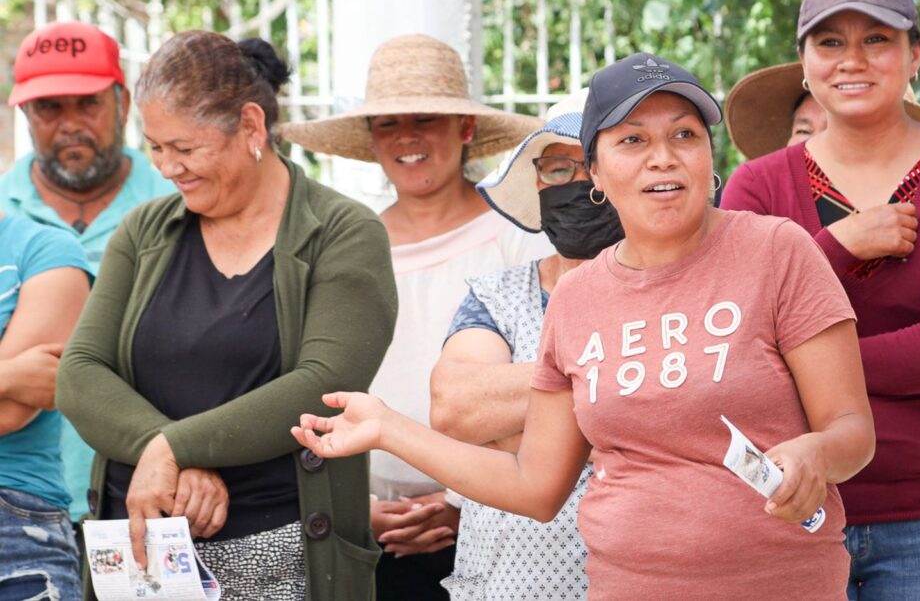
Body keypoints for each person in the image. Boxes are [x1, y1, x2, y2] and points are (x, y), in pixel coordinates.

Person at [293, 53, 877, 600]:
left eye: (684, 134)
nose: (663, 156)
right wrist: (389, 429)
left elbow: (852, 431)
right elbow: (535, 485)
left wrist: (815, 454)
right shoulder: (577, 298)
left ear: (709, 156)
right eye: (632, 140)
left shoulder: (778, 251)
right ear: (595, 171)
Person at [56, 31, 398, 601]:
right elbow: (80, 371)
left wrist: (173, 449)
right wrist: (168, 456)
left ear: (251, 127)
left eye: (185, 149)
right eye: (155, 147)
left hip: (284, 559)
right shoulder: (144, 232)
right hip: (144, 562)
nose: (167, 167)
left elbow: (324, 385)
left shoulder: (343, 233)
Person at [720, 0, 920, 600]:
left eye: (876, 39)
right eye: (830, 42)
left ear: (914, 55)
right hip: (786, 511)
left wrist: (792, 357)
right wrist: (834, 246)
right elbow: (739, 335)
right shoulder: (757, 186)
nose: (851, 60)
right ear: (803, 61)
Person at [281, 34, 551, 599]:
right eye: (388, 124)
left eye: (427, 118)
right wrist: (363, 507)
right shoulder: (345, 244)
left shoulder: (519, 237)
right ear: (372, 142)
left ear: (466, 130)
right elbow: (316, 377)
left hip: (502, 513)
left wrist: (460, 500)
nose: (407, 137)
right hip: (369, 521)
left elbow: (543, 381)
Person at [430, 90, 622, 599]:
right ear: (537, 182)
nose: (579, 186)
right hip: (501, 585)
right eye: (559, 170)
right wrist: (613, 420)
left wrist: (512, 437)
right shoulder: (495, 295)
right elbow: (455, 406)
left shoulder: (677, 295)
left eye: (592, 168)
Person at [1, 21, 177, 523]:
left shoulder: (180, 205)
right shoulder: (5, 220)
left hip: (156, 492)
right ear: (26, 114)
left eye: (88, 103)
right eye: (49, 107)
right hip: (29, 502)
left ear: (122, 102)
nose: (70, 124)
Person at [0, 212, 90, 600]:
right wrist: (7, 375)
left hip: (14, 521)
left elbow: (11, 413)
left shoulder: (45, 251)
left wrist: (17, 382)